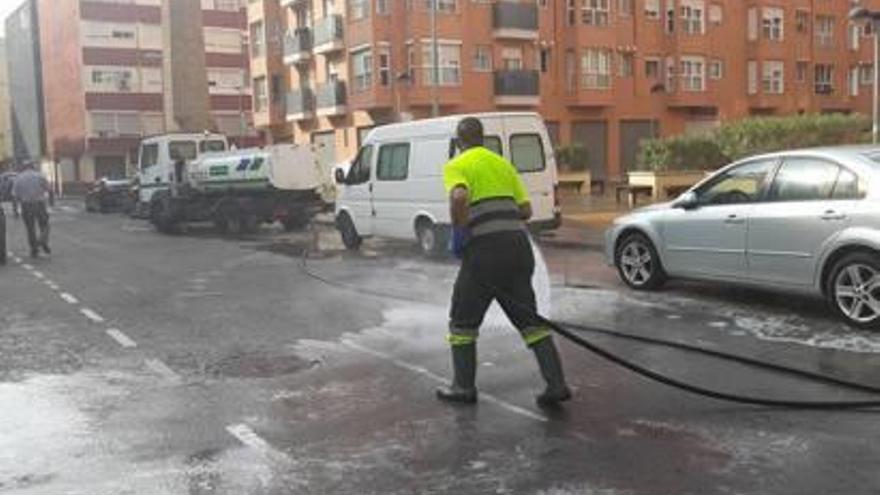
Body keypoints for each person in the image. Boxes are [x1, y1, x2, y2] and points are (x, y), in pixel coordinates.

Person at [436, 117, 572, 407]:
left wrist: (460, 234)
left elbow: (459, 196)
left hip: (485, 253)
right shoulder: (502, 164)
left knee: (461, 322)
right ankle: (556, 384)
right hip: (518, 250)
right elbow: (525, 209)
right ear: (483, 138)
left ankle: (463, 387)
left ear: (459, 142)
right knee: (531, 322)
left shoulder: (457, 165)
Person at [12, 161, 52, 258]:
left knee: (30, 228)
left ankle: (34, 249)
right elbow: (49, 189)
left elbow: (14, 195)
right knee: (45, 225)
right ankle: (43, 241)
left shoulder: (19, 178)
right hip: (40, 204)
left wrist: (15, 210)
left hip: (26, 205)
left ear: (23, 168)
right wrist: (51, 202)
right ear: (33, 167)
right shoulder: (39, 176)